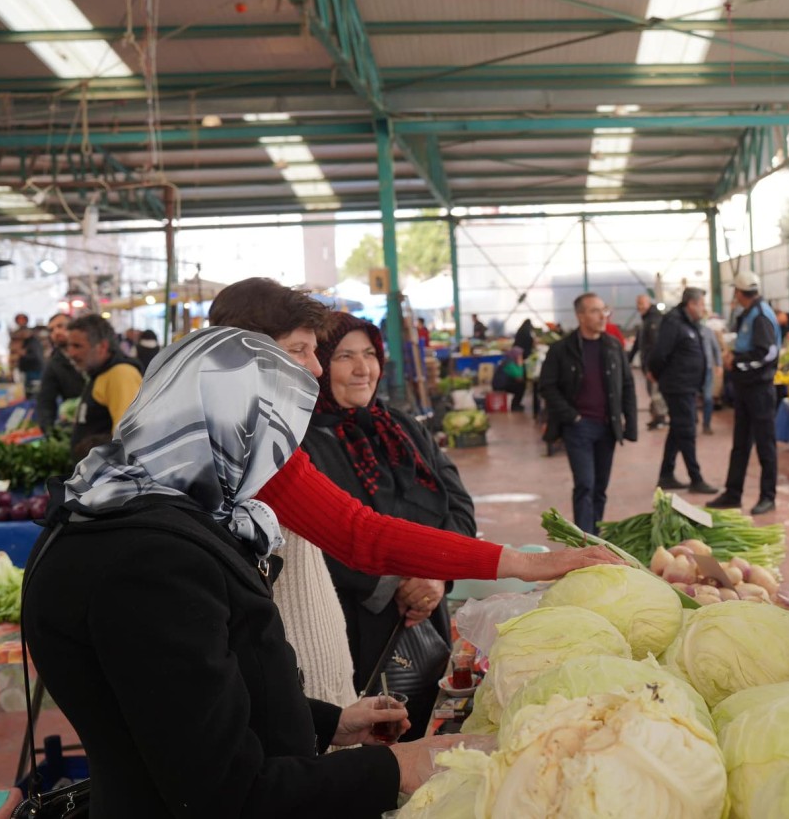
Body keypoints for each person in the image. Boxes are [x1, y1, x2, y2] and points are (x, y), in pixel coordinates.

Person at [23, 327, 449, 818]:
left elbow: (179, 709)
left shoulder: (113, 509)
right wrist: (399, 767)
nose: (279, 462)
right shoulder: (150, 562)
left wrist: (329, 723)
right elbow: (227, 791)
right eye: (271, 436)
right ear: (228, 428)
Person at [205, 279, 620, 700]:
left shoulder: (386, 426)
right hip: (314, 641)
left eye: (365, 354)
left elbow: (450, 502)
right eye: (301, 351)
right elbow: (359, 534)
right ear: (245, 354)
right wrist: (522, 564)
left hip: (323, 652)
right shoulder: (259, 443)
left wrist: (438, 574)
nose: (315, 367)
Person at [303, 313, 475, 739]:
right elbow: (318, 537)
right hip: (355, 622)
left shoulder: (402, 427)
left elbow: (459, 507)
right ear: (321, 365)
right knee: (362, 738)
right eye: (345, 356)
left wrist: (437, 574)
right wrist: (397, 584)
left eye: (369, 355)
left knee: (415, 723)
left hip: (425, 617)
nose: (364, 369)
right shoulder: (302, 440)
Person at [539, 292, 638, 534]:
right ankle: (584, 541)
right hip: (579, 427)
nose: (602, 316)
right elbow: (547, 386)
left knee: (600, 487)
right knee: (585, 484)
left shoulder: (613, 346)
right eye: (595, 311)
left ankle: (595, 538)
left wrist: (630, 424)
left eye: (603, 310)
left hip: (607, 426)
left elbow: (627, 385)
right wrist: (571, 416)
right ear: (580, 316)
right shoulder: (562, 349)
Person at [706, 271, 781, 515]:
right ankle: (733, 493)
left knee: (765, 445)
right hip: (745, 389)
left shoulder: (760, 316)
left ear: (738, 293)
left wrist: (736, 362)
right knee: (740, 444)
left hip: (759, 390)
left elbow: (767, 353)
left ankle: (768, 497)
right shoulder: (748, 313)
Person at [647, 288, 717, 494]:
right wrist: (658, 375)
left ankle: (666, 475)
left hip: (687, 385)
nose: (703, 309)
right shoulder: (674, 323)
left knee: (679, 428)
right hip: (678, 386)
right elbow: (660, 353)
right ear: (691, 304)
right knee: (687, 430)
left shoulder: (688, 323)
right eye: (702, 304)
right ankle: (696, 478)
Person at [64, 314, 143, 460]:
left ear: (102, 346)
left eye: (77, 346)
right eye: (69, 346)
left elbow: (128, 439)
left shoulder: (121, 374)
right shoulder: (100, 373)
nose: (71, 353)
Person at [35, 312, 84, 433]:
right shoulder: (54, 364)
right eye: (52, 330)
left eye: (61, 326)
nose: (56, 332)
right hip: (80, 425)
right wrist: (48, 432)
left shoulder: (94, 351)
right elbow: (46, 400)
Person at [630, 294, 667, 430]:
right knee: (651, 391)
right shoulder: (645, 321)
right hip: (647, 364)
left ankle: (661, 417)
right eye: (638, 303)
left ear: (648, 303)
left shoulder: (654, 320)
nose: (639, 306)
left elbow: (655, 346)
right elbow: (638, 344)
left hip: (653, 365)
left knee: (655, 392)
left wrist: (653, 367)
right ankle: (656, 416)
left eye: (642, 303)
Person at [9, 312, 42, 393]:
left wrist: (23, 354)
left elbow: (36, 356)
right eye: (19, 320)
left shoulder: (32, 339)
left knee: (33, 391)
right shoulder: (15, 336)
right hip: (22, 369)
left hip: (33, 369)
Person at [699, 313, 721, 434]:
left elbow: (716, 348)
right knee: (691, 399)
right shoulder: (687, 330)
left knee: (708, 398)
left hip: (707, 370)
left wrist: (719, 364)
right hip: (692, 371)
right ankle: (693, 420)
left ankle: (706, 424)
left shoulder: (708, 332)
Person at [492, 345, 528, 411]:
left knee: (520, 384)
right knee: (521, 385)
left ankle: (516, 404)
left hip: (503, 383)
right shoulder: (509, 363)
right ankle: (515, 405)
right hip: (500, 385)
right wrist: (520, 365)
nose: (521, 357)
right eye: (520, 355)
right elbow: (519, 377)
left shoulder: (509, 360)